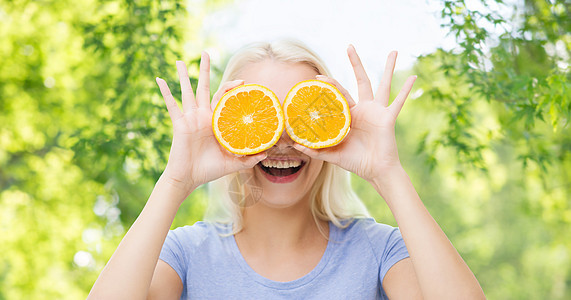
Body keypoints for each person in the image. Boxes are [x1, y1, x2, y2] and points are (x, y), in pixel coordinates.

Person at [88, 40, 485, 299]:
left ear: (335, 126)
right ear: (226, 128)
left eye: (301, 116)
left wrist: (388, 174)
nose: (281, 140)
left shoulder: (380, 251)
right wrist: (176, 181)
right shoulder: (186, 255)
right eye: (261, 116)